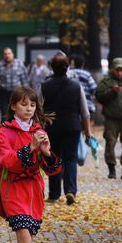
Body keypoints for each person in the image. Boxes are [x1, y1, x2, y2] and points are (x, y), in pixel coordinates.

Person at [0, 86, 62, 243]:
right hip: (13, 189)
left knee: (26, 239)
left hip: (34, 192)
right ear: (14, 106)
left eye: (32, 104)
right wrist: (30, 147)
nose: (28, 108)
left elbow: (52, 169)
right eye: (24, 104)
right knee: (24, 238)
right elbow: (7, 161)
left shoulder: (39, 129)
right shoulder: (5, 130)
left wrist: (45, 152)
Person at [41, 53, 92, 205]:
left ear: (51, 67)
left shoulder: (45, 85)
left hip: (52, 127)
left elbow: (38, 108)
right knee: (71, 159)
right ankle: (70, 190)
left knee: (53, 158)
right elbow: (85, 112)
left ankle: (54, 194)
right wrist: (87, 132)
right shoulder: (76, 86)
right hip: (72, 127)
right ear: (67, 67)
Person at [0, 47, 28, 122]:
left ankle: (17, 131)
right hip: (4, 93)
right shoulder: (0, 65)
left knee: (17, 114)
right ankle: (5, 132)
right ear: (3, 55)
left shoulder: (19, 64)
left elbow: (25, 79)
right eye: (5, 54)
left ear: (13, 54)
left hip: (17, 93)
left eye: (9, 53)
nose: (7, 55)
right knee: (4, 114)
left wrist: (26, 93)